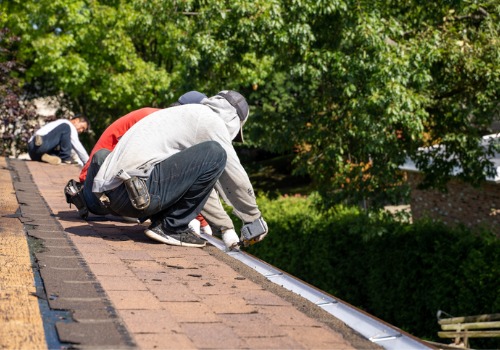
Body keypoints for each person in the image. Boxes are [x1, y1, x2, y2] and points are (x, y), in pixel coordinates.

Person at [91, 91, 268, 249]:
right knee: (216, 152)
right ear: (234, 120)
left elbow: (200, 185)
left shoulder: (186, 116)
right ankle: (171, 227)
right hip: (135, 194)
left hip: (115, 196)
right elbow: (234, 175)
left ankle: (166, 224)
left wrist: (224, 226)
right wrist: (254, 219)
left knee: (212, 156)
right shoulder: (211, 122)